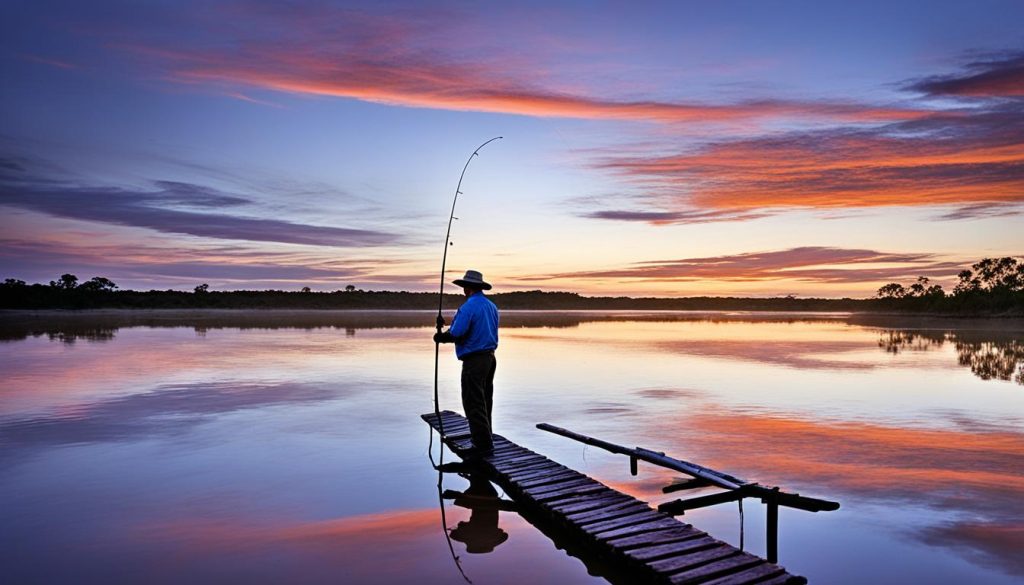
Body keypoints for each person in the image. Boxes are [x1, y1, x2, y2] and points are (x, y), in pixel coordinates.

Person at [434, 269, 499, 458]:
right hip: (490, 358)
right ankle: (486, 438)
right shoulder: (491, 306)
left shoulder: (469, 307)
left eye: (464, 287)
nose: (463, 290)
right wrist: (445, 328)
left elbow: (458, 333)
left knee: (473, 402)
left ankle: (482, 445)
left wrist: (440, 336)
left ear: (468, 288)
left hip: (475, 361)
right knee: (486, 400)